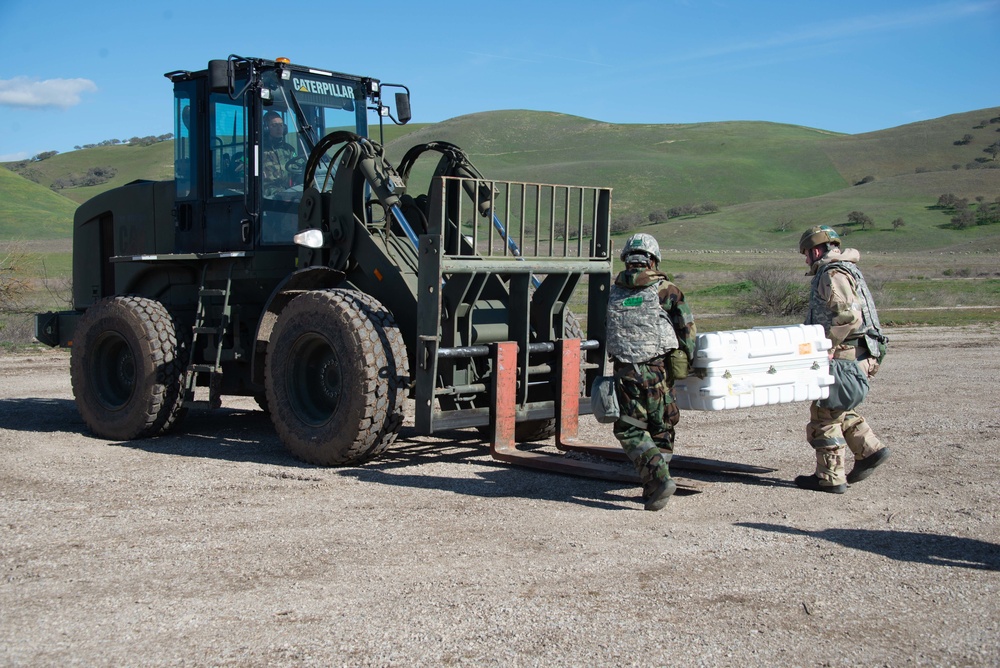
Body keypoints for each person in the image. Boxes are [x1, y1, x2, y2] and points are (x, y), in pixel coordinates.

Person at [796, 225, 891, 493]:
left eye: (805, 254)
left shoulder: (832, 273)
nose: (805, 260)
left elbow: (848, 316)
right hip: (861, 352)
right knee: (840, 407)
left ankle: (830, 477)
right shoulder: (847, 269)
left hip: (847, 355)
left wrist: (829, 345)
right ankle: (870, 451)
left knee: (824, 414)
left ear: (816, 250)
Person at [606, 233, 697, 511]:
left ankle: (656, 482)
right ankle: (659, 479)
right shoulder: (666, 290)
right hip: (658, 369)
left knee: (631, 427)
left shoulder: (614, 291)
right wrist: (689, 362)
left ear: (627, 259)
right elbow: (687, 330)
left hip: (625, 371)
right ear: (653, 259)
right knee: (662, 424)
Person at [261, 110, 296, 197]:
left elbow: (298, 170)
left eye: (281, 125)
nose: (279, 128)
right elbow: (244, 175)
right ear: (265, 128)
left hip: (287, 194)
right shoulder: (257, 150)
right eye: (274, 125)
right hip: (265, 197)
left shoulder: (289, 150)